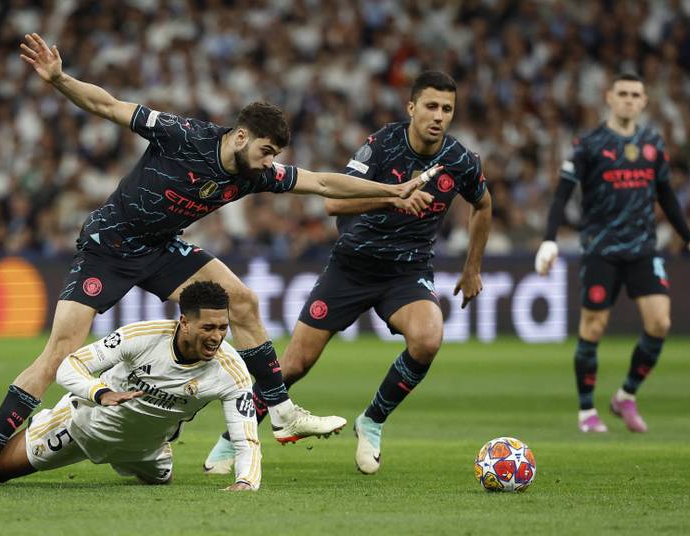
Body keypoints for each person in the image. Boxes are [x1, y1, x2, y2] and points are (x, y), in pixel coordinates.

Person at [0, 34, 438, 488]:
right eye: (266, 151)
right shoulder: (183, 134)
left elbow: (324, 182)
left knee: (242, 301)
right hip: (109, 245)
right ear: (241, 136)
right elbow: (108, 106)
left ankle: (280, 410)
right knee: (60, 353)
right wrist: (60, 80)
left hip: (160, 247)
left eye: (274, 155)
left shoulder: (256, 173)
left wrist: (392, 191)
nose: (269, 162)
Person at [203, 70, 492, 475]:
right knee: (294, 365)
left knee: (428, 339)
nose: (439, 116)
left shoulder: (460, 160)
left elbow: (483, 204)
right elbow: (333, 204)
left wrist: (473, 267)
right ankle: (233, 438)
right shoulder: (381, 145)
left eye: (447, 109)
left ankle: (372, 420)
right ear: (412, 107)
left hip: (406, 271)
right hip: (351, 266)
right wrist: (392, 200)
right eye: (431, 106)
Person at [0, 282, 261, 491]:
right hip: (80, 426)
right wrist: (100, 392)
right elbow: (69, 365)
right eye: (208, 327)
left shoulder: (231, 371)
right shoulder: (142, 337)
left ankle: (148, 456)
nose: (217, 337)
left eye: (223, 328)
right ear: (184, 322)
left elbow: (246, 438)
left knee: (161, 484)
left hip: (146, 450)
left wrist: (246, 481)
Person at [534, 72, 690, 433]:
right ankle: (587, 412)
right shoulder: (589, 144)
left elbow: (666, 195)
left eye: (635, 94)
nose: (629, 100)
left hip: (644, 248)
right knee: (594, 327)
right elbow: (562, 194)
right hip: (601, 249)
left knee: (660, 323)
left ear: (644, 101)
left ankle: (625, 395)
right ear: (609, 98)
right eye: (623, 93)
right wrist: (549, 239)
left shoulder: (652, 144)